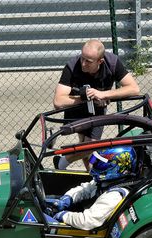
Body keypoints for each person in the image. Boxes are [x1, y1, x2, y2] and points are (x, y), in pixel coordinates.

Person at [52, 39, 140, 170]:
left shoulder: (112, 63)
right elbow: (58, 101)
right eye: (82, 58)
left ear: (100, 61)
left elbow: (134, 88)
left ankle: (62, 161)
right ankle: (91, 176)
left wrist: (104, 94)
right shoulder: (72, 66)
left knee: (92, 145)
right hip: (77, 109)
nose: (83, 63)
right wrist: (85, 98)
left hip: (98, 109)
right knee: (85, 146)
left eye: (88, 61)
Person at [48, 146, 137, 230]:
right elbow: (86, 188)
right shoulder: (106, 182)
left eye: (99, 163)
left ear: (116, 167)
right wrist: (67, 198)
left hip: (88, 231)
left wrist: (62, 216)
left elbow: (87, 221)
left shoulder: (114, 196)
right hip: (83, 214)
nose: (93, 164)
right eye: (95, 160)